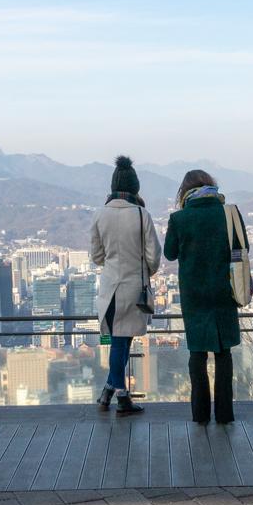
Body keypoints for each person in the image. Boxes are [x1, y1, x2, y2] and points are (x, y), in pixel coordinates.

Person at [163, 170, 244, 424]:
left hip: (194, 294)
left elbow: (170, 253)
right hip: (225, 290)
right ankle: (224, 414)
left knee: (197, 353)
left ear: (184, 192)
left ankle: (200, 414)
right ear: (212, 187)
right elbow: (243, 246)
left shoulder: (179, 219)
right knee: (224, 353)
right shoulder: (229, 213)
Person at [90, 156, 161, 416]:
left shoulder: (99, 215)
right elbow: (154, 256)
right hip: (134, 286)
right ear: (135, 187)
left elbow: (96, 257)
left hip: (110, 288)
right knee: (123, 340)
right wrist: (144, 271)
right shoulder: (141, 215)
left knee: (119, 340)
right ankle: (120, 395)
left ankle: (110, 388)